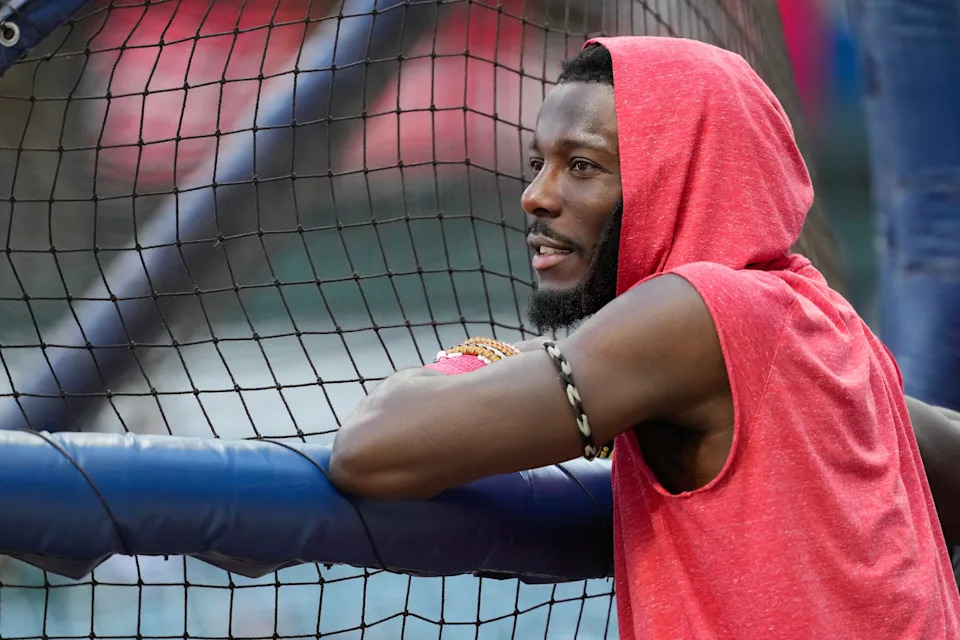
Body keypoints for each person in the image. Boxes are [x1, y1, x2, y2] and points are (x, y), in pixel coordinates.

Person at [329, 37, 960, 637]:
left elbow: (368, 448)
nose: (535, 197)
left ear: (680, 176)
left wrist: (477, 359)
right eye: (538, 164)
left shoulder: (695, 315)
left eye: (582, 166)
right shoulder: (822, 322)